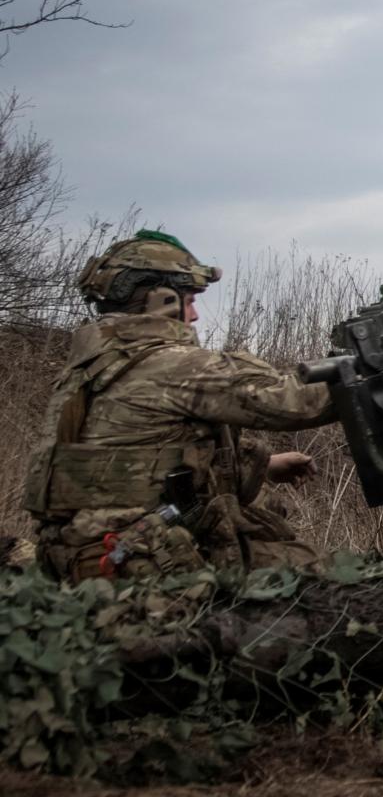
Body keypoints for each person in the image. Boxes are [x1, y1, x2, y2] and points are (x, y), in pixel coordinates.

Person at [24, 229, 335, 583]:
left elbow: (132, 459)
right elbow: (296, 402)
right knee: (328, 577)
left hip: (84, 556)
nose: (195, 315)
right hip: (141, 562)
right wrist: (373, 369)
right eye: (190, 300)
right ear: (162, 301)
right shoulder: (167, 364)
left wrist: (263, 464)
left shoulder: (88, 369)